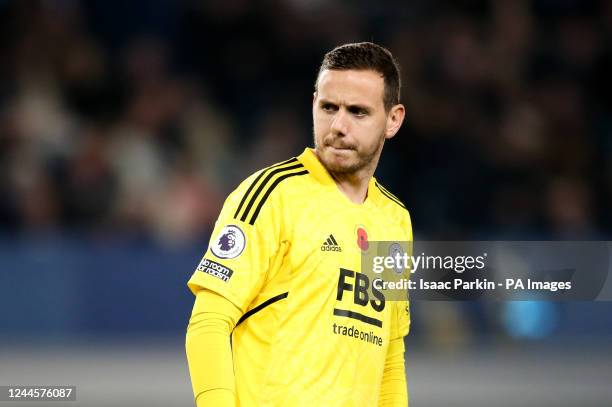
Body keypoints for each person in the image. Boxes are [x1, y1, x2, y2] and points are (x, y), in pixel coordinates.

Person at [185, 41, 412, 406]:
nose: (338, 125)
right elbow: (208, 324)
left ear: (393, 120)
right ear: (313, 105)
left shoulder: (395, 220)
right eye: (328, 107)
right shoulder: (272, 196)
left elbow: (389, 356)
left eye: (357, 112)